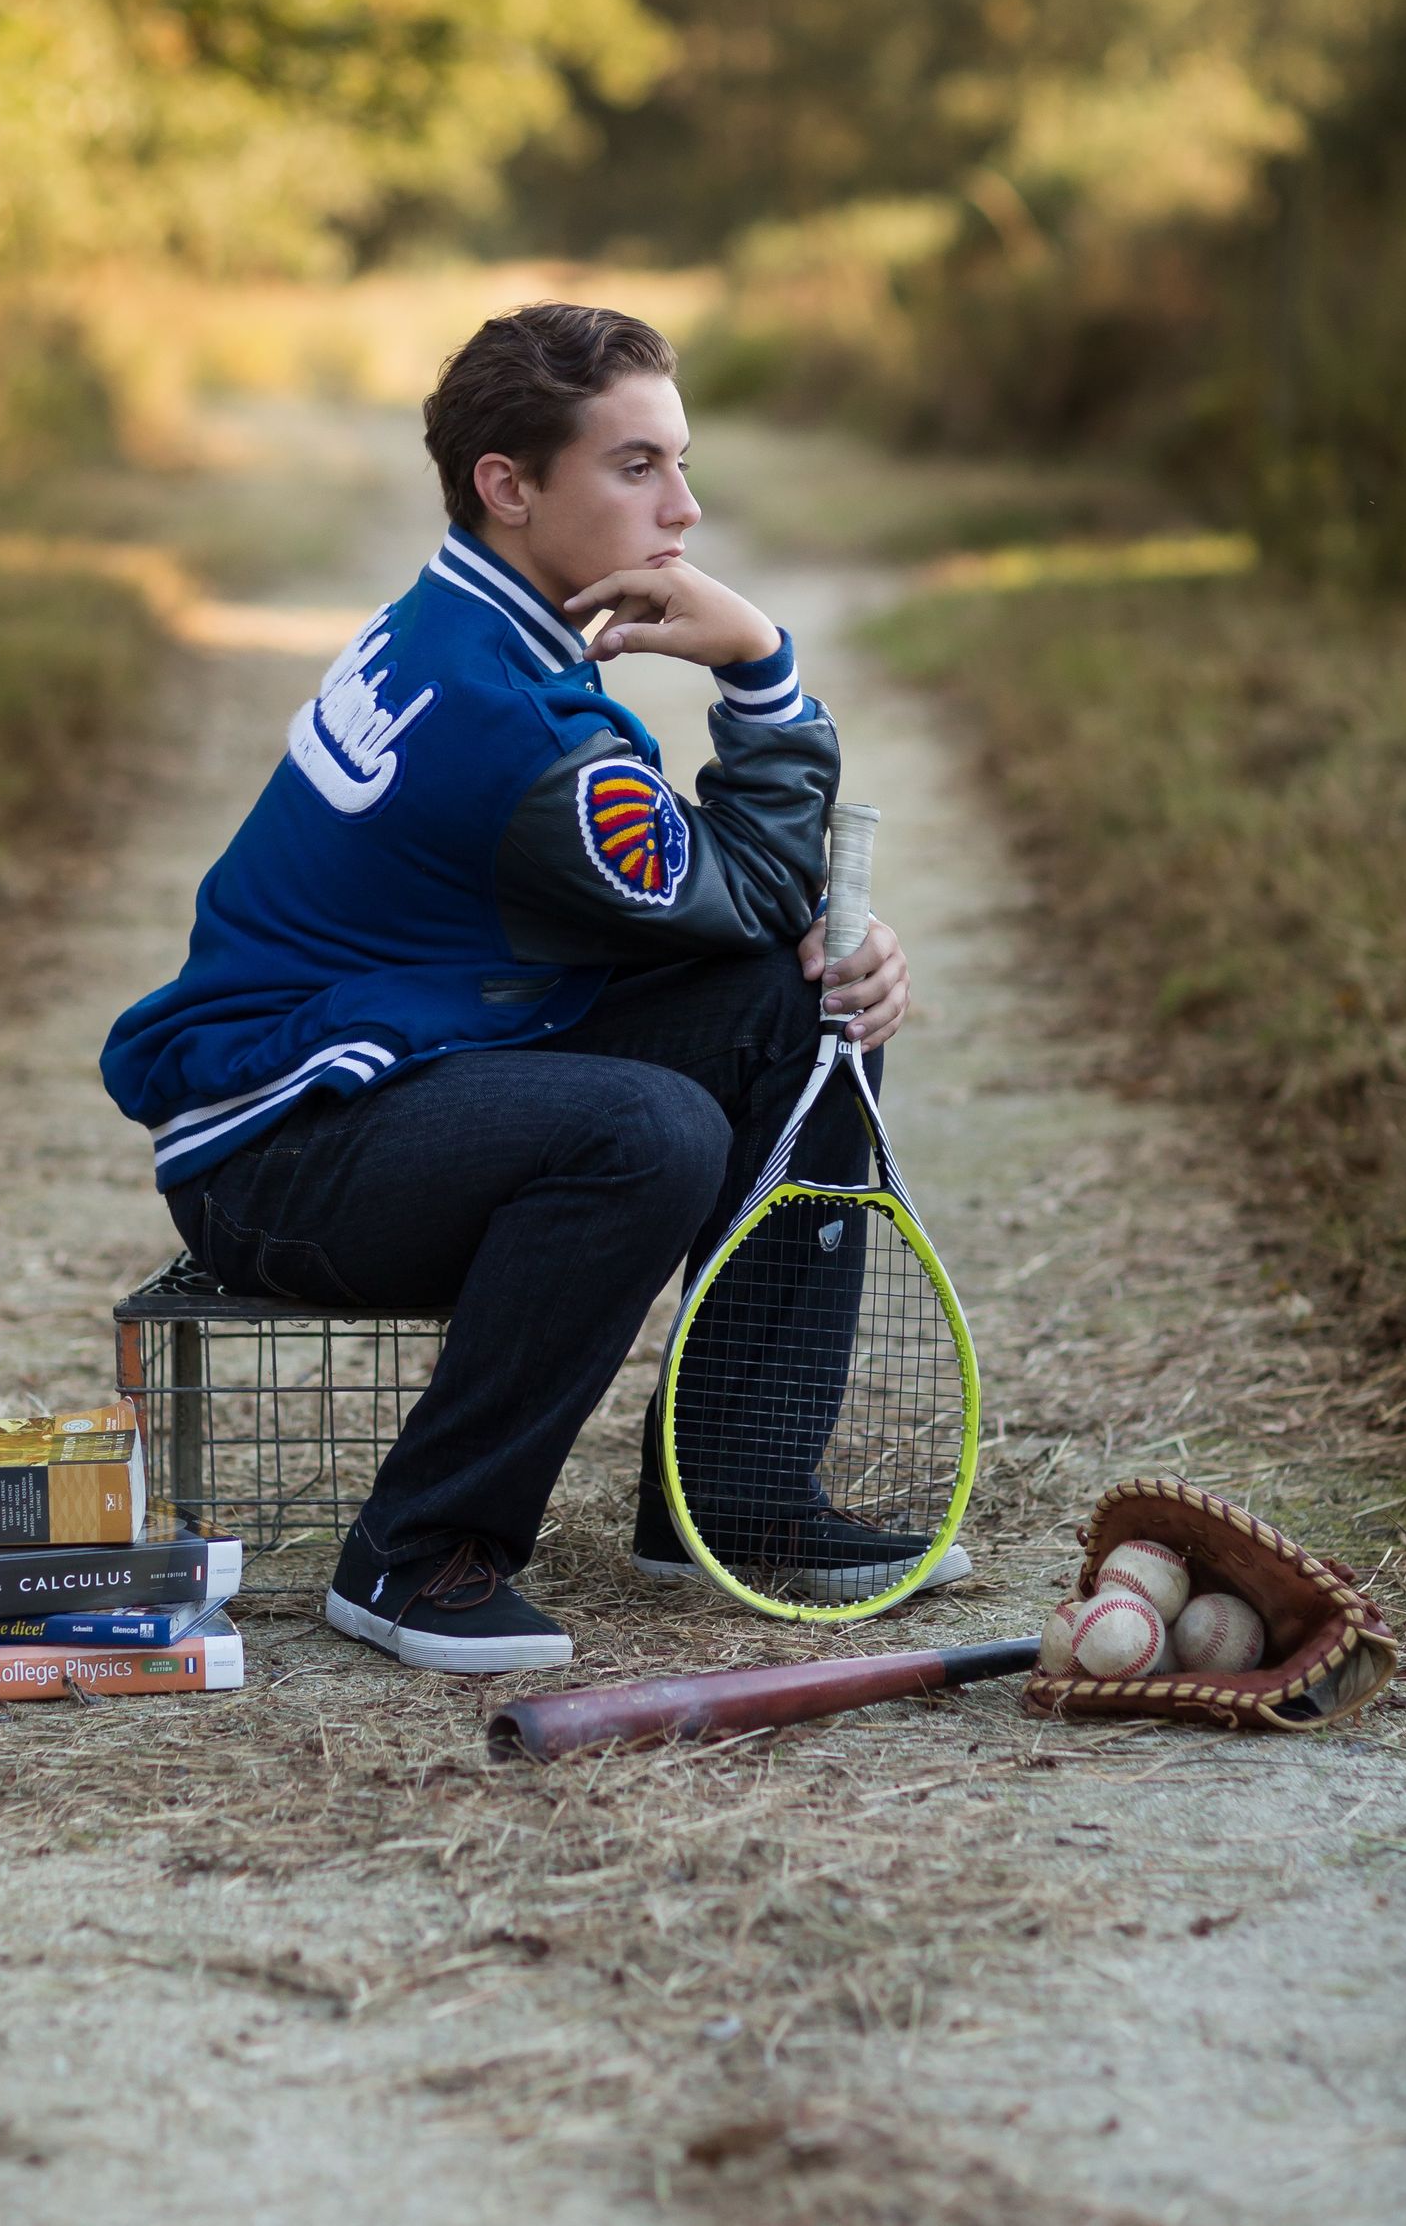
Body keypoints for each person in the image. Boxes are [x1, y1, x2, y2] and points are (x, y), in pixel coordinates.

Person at [102, 303, 961, 1675]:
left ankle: (726, 1497)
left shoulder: (473, 623)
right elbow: (710, 886)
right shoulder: (502, 719)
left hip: (393, 1070)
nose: (684, 509)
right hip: (278, 1153)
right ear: (508, 484)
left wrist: (827, 939)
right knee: (646, 1133)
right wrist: (759, 669)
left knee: (797, 1010)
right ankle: (416, 1554)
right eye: (636, 468)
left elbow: (689, 909)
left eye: (680, 461)